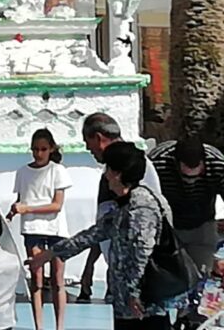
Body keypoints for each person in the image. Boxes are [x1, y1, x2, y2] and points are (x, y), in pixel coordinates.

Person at [34, 141, 180, 329]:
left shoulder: (141, 207)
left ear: (118, 174)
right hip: (125, 304)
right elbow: (95, 233)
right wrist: (52, 253)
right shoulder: (125, 205)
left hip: (144, 306)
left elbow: (142, 252)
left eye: (108, 169)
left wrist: (134, 293)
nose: (105, 175)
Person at [77, 112, 161, 302]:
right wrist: (90, 264)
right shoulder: (111, 173)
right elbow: (105, 224)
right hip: (120, 272)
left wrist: (134, 287)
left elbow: (144, 233)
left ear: (98, 138)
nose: (87, 148)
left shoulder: (134, 168)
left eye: (87, 141)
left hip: (139, 279)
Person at [7, 128, 71, 330]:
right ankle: (39, 326)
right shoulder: (23, 172)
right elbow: (21, 199)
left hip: (56, 229)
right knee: (36, 279)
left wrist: (28, 208)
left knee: (57, 279)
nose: (39, 153)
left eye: (43, 149)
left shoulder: (57, 170)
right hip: (33, 228)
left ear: (51, 149)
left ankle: (59, 326)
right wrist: (15, 210)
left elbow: (57, 205)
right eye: (35, 149)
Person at [149, 136, 224, 273]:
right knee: (168, 276)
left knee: (200, 272)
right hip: (166, 226)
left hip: (202, 223)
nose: (191, 182)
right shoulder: (157, 162)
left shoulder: (218, 164)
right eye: (186, 177)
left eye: (198, 175)